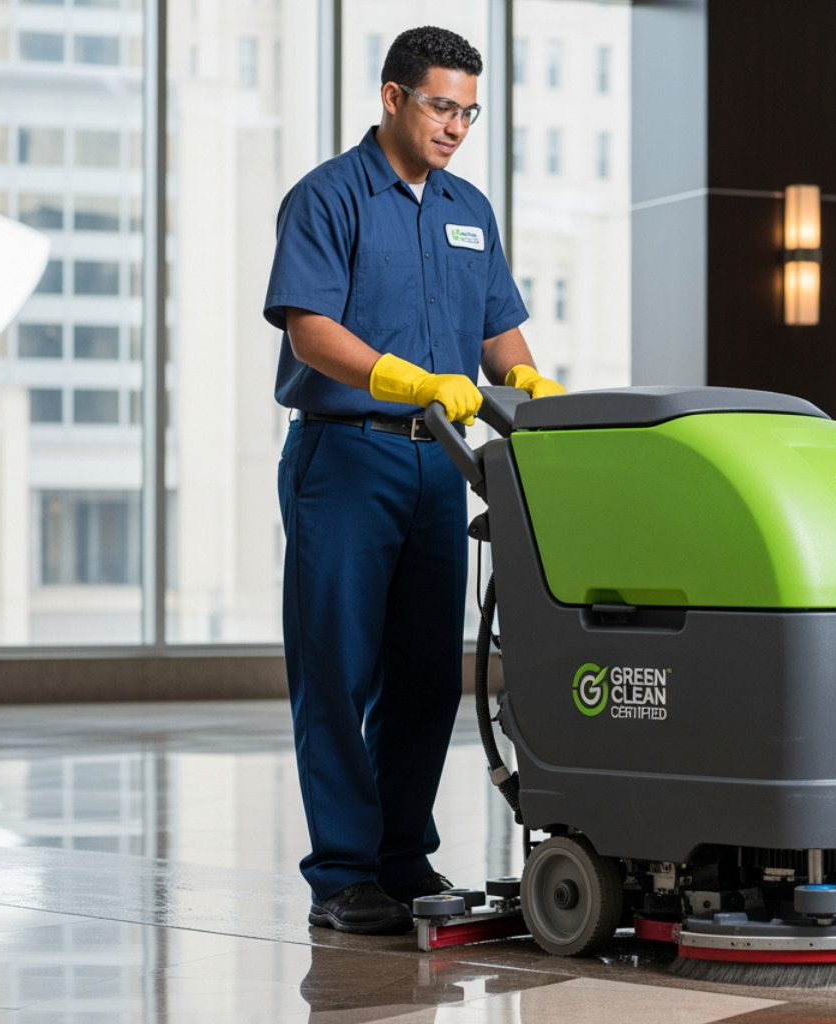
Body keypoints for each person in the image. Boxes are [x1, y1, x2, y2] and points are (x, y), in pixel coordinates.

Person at [263, 25, 563, 935]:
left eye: (469, 112)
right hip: (346, 458)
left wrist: (533, 387)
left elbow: (499, 333)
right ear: (393, 97)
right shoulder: (327, 197)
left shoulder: (471, 207)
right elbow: (309, 326)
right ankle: (344, 874)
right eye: (441, 106)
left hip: (443, 464)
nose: (455, 127)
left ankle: (403, 857)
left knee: (428, 674)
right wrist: (400, 376)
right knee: (339, 669)